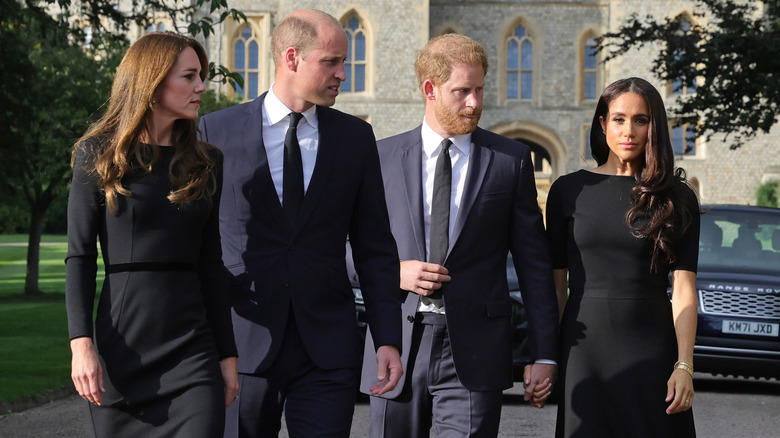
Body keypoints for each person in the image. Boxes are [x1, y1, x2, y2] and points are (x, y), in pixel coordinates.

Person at [198, 9, 403, 438]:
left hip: (328, 349)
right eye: (331, 62)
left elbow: (375, 249)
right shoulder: (213, 133)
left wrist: (387, 338)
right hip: (244, 345)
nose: (343, 74)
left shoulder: (354, 138)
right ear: (292, 58)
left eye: (345, 62)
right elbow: (199, 247)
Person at [359, 33, 560, 437]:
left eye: (480, 90)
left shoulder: (511, 161)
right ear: (430, 90)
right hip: (396, 342)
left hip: (475, 349)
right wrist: (393, 271)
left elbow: (534, 265)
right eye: (462, 91)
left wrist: (544, 353)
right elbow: (340, 247)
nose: (475, 103)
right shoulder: (378, 158)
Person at [66, 32, 239, 438]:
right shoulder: (97, 155)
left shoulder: (207, 161)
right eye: (190, 76)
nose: (201, 87)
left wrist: (227, 355)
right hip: (123, 352)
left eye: (203, 76)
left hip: (193, 353)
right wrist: (80, 343)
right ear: (154, 81)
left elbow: (211, 264)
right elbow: (79, 256)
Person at [547, 77, 699, 437]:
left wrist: (684, 365)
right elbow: (555, 289)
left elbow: (684, 290)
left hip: (653, 351)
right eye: (618, 119)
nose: (628, 130)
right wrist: (546, 357)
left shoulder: (677, 197)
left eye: (640, 120)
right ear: (602, 124)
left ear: (654, 126)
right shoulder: (568, 191)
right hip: (584, 351)